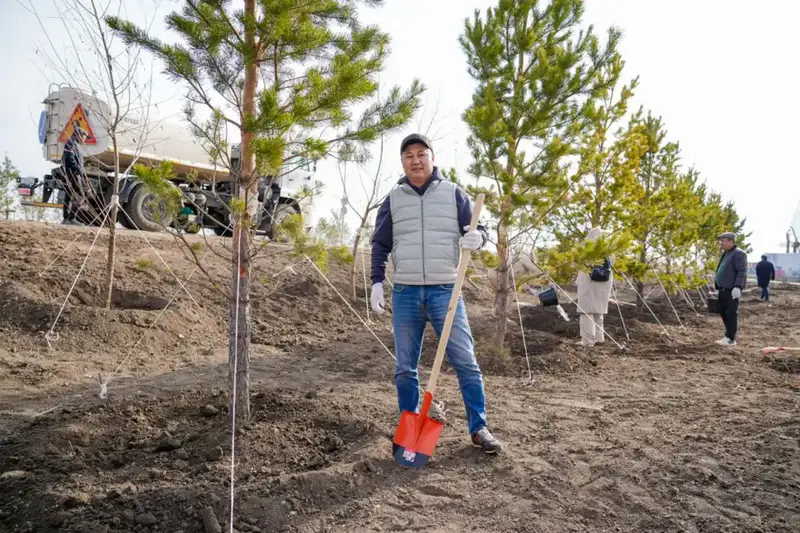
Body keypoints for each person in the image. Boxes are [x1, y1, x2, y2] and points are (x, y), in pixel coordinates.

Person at [369, 133, 503, 455]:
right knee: (404, 368)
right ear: (403, 162)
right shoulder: (393, 198)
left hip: (446, 291)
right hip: (406, 292)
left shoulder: (454, 193)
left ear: (431, 157)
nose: (415, 160)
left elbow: (478, 230)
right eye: (408, 156)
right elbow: (380, 244)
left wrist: (479, 240)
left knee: (466, 362)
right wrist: (376, 282)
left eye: (421, 154)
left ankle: (479, 428)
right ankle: (410, 427)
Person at [575, 228, 613, 346]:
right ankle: (598, 338)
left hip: (589, 285)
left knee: (586, 312)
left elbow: (577, 264)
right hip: (603, 286)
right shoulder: (609, 252)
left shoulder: (587, 250)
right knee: (598, 312)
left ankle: (587, 341)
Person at [714, 232, 748, 346]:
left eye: (723, 241)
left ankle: (730, 338)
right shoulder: (727, 253)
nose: (721, 243)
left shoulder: (739, 254)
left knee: (731, 313)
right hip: (723, 289)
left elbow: (741, 271)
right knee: (723, 312)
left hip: (731, 290)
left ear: (730, 241)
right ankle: (728, 336)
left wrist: (738, 286)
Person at [61, 125, 89, 225]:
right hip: (72, 174)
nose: (85, 139)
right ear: (78, 135)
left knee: (68, 196)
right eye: (84, 137)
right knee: (81, 195)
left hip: (71, 173)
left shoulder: (74, 143)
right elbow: (69, 157)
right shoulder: (72, 143)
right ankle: (71, 218)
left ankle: (66, 219)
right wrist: (77, 168)